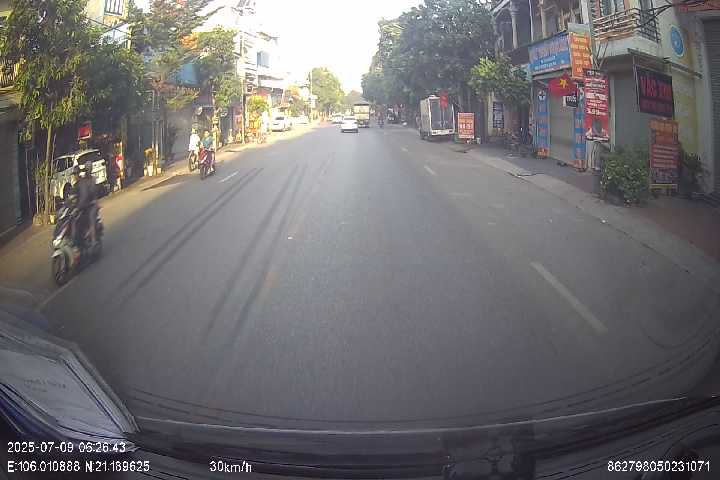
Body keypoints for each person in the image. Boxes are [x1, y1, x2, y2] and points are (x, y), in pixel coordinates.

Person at [71, 162, 98, 249]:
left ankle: (93, 240)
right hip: (84, 204)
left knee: (91, 218)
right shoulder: (82, 181)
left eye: (89, 169)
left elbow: (91, 193)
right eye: (86, 169)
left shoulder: (92, 179)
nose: (87, 171)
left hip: (92, 204)